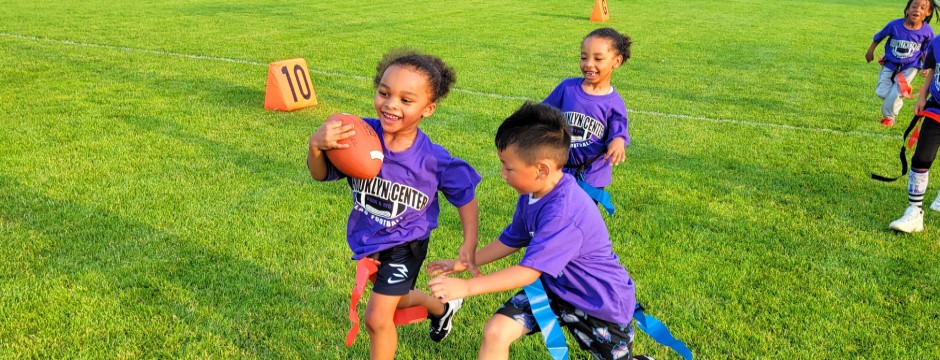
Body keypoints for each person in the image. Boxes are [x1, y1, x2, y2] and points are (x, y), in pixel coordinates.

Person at [427, 102, 638, 360]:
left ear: (542, 169)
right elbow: (513, 238)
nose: (502, 174)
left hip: (598, 303)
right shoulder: (533, 193)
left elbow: (527, 272)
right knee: (496, 331)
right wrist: (467, 261)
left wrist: (467, 288)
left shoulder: (564, 212)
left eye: (508, 167)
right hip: (554, 287)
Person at [307, 49, 481, 359]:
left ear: (428, 109)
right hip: (370, 238)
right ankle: (441, 308)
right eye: (384, 93)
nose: (390, 104)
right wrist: (317, 146)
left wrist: (469, 244)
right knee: (398, 300)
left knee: (377, 319)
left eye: (406, 100)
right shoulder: (359, 136)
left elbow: (465, 197)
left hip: (407, 243)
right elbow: (320, 175)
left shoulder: (433, 159)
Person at [542, 27, 632, 212]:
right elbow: (542, 113)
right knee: (553, 215)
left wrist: (617, 142)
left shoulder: (614, 103)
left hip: (592, 175)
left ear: (616, 61)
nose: (589, 64)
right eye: (584, 57)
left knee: (580, 221)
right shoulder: (567, 88)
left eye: (598, 59)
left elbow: (619, 130)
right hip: (559, 170)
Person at [889, 29, 940, 233]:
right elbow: (932, 72)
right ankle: (914, 212)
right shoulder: (937, 42)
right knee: (921, 158)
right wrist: (921, 97)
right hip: (936, 108)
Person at [865, 0, 936, 127]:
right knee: (881, 92)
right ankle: (901, 92)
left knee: (896, 92)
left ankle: (889, 117)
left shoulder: (927, 31)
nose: (917, 9)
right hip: (890, 63)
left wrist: (926, 66)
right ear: (908, 9)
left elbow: (927, 50)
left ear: (928, 12)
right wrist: (870, 51)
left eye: (922, 8)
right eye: (914, 6)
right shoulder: (894, 25)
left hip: (910, 66)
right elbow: (879, 37)